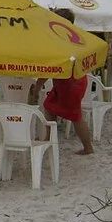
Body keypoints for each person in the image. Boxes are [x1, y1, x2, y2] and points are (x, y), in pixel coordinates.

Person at [31, 9, 94, 155]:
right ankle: (49, 139)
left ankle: (88, 147)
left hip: (70, 82)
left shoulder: (62, 41)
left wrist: (38, 86)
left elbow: (51, 68)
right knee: (50, 106)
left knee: (75, 116)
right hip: (71, 80)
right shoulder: (74, 36)